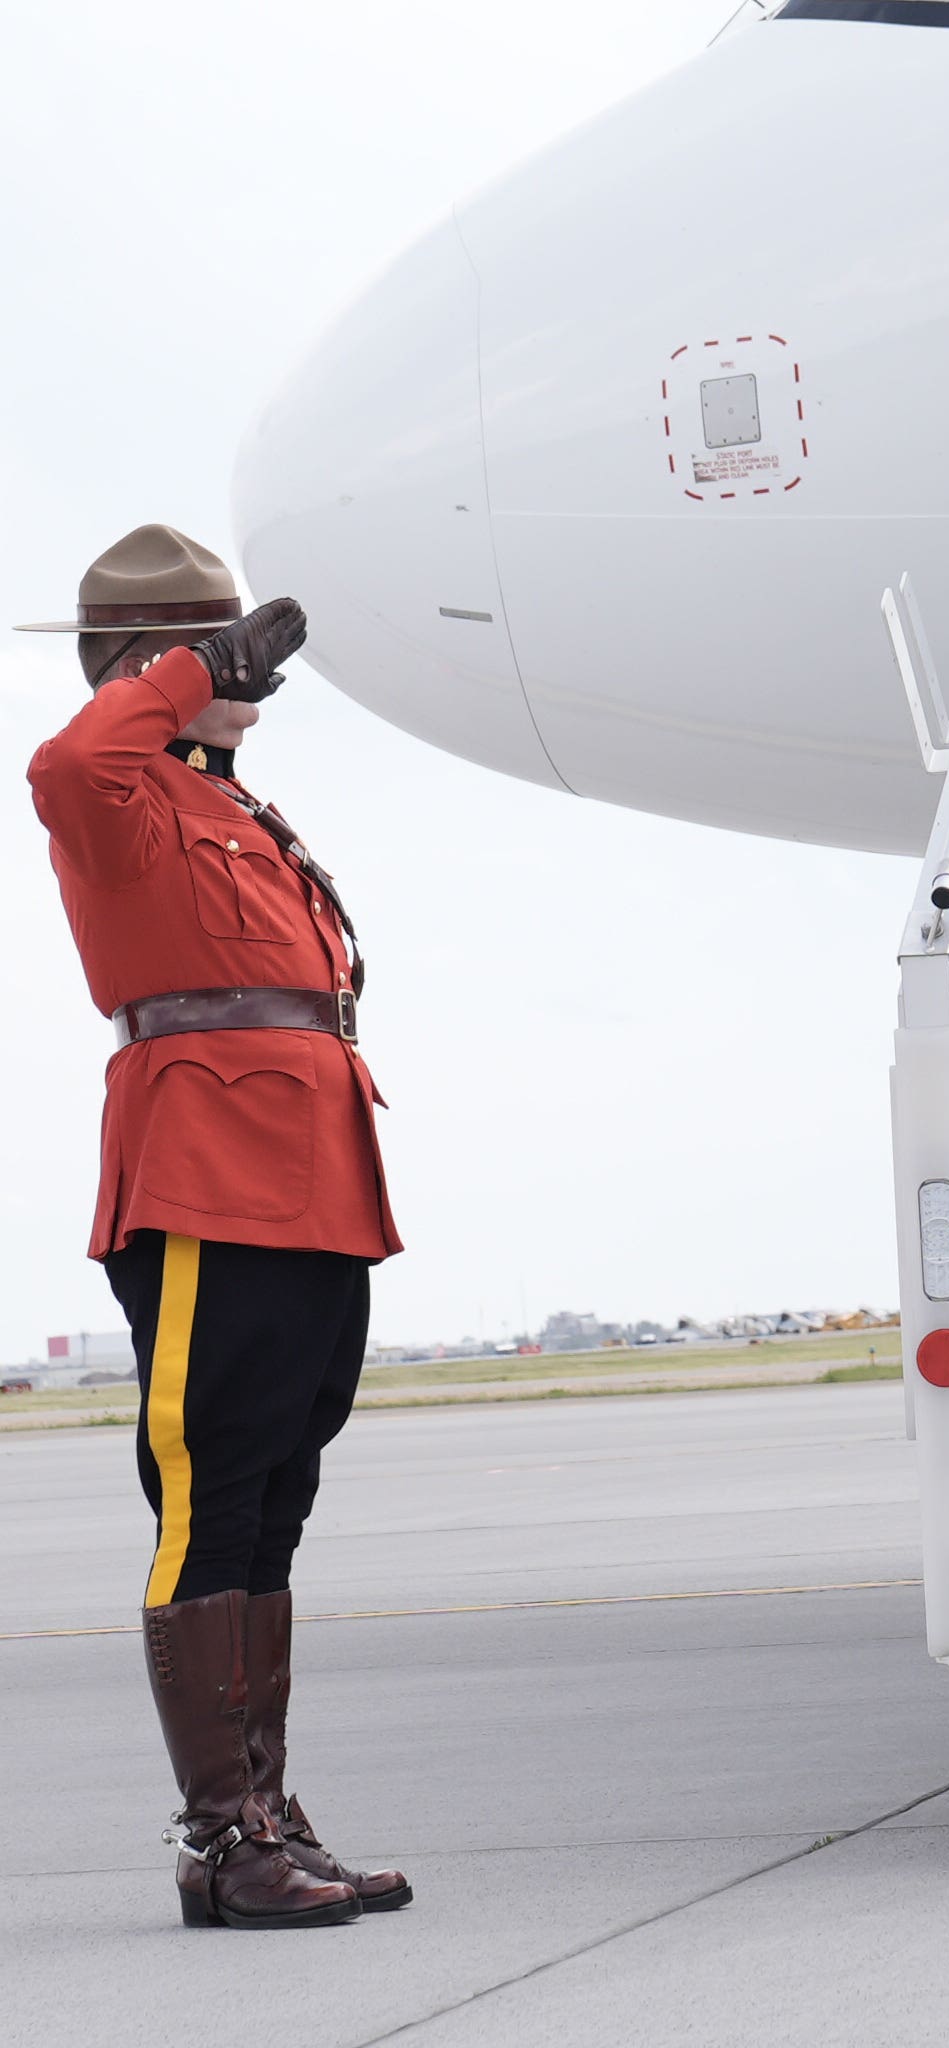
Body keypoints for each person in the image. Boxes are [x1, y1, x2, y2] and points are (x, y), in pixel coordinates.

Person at [21, 525, 412, 1925]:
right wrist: (190, 670)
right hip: (203, 1175)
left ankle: (263, 1814)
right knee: (209, 1503)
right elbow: (65, 759)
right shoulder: (117, 795)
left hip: (307, 1175)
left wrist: (196, 691)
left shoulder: (228, 806)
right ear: (152, 664)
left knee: (274, 1503)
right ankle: (218, 1842)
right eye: (218, 644)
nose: (252, 669)